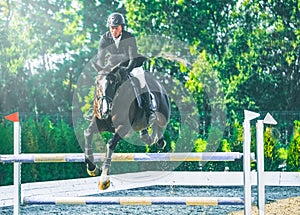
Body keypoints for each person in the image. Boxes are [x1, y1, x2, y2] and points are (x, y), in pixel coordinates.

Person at [93, 12, 156, 125]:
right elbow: (100, 59)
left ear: (122, 27)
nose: (114, 31)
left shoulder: (129, 37)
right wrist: (102, 71)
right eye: (112, 28)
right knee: (101, 82)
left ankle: (149, 111)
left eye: (116, 28)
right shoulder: (105, 38)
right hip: (113, 65)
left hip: (132, 65)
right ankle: (96, 109)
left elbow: (132, 59)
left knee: (141, 81)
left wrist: (126, 70)